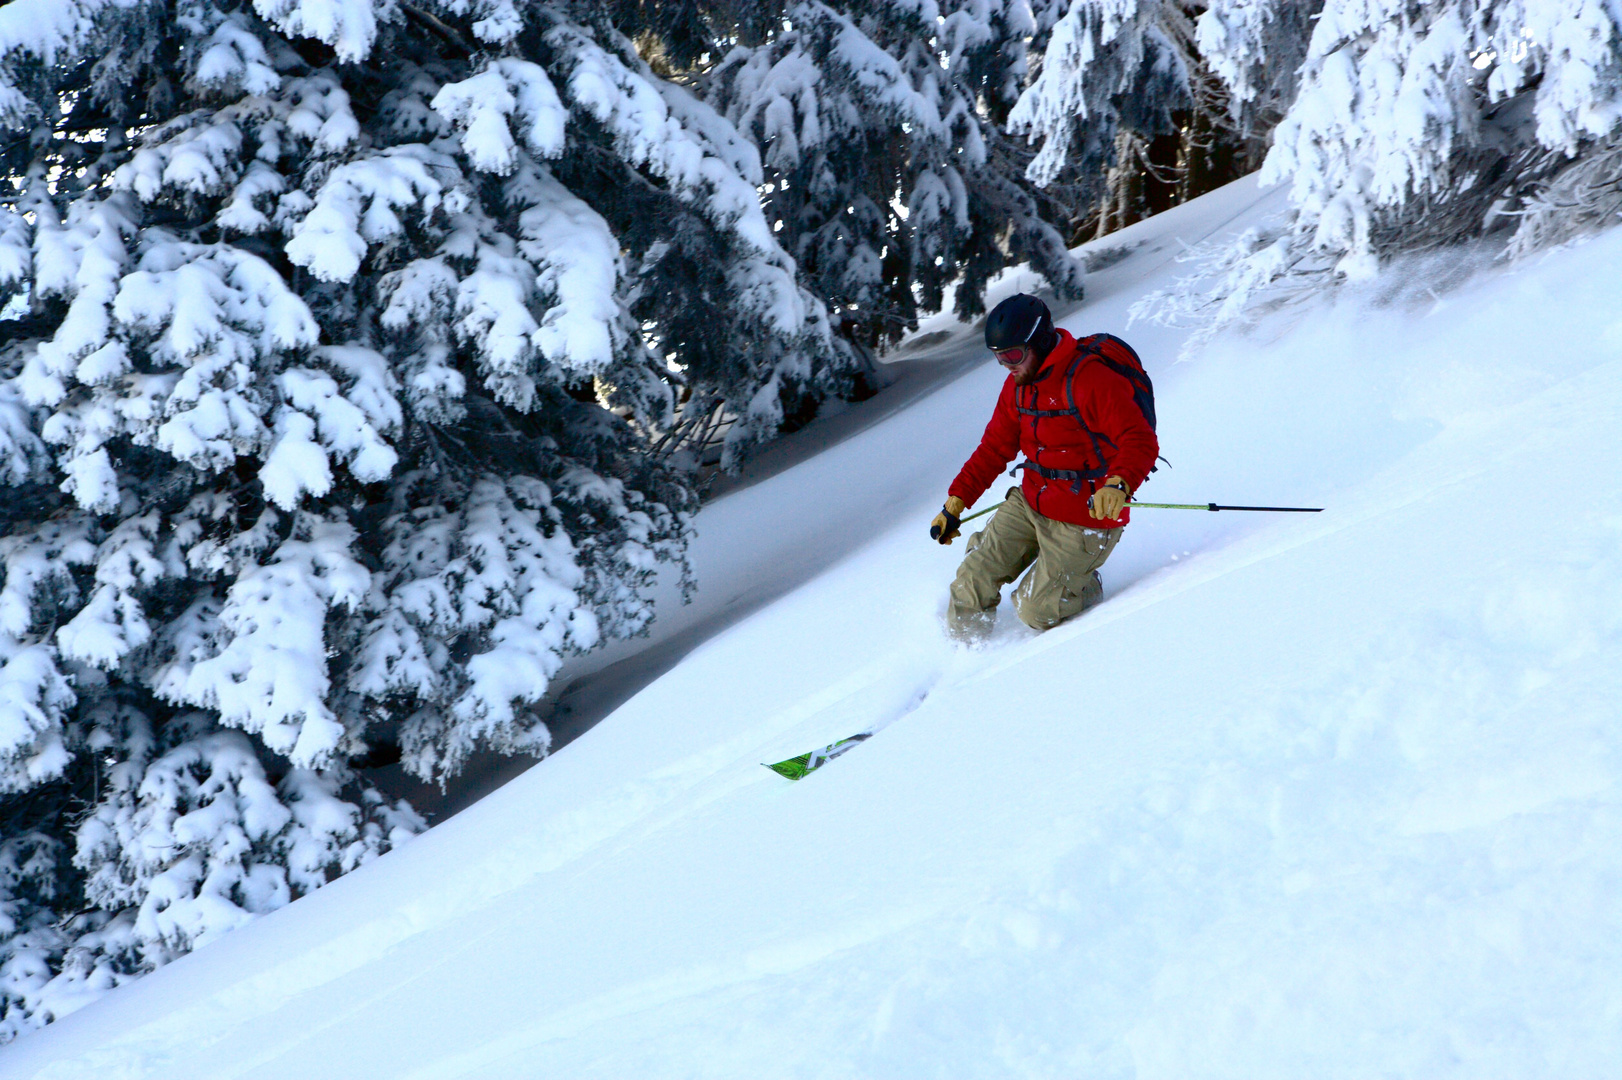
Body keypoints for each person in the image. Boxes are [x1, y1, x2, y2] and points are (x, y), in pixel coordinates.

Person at [932, 294, 1159, 640]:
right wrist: (956, 502)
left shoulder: (1090, 380)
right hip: (1032, 499)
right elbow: (994, 448)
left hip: (1086, 514)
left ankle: (1081, 588)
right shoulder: (1017, 387)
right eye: (998, 357)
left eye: (1011, 355)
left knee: (1034, 610)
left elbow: (1139, 439)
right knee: (971, 580)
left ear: (1038, 341)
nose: (1005, 365)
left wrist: (1119, 482)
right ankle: (964, 659)